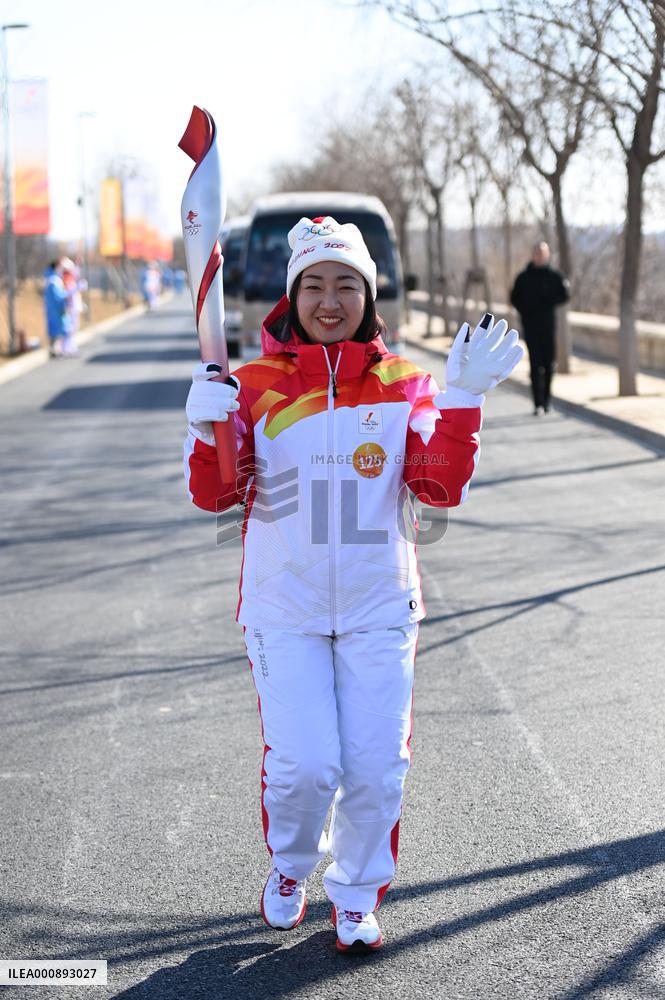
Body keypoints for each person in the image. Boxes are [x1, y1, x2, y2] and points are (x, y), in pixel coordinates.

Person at [183, 217, 523, 953]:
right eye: (314, 285)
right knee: (304, 766)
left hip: (378, 604)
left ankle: (358, 892)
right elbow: (217, 497)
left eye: (346, 285)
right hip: (284, 606)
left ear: (368, 296)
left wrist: (463, 399)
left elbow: (436, 488)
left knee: (375, 767)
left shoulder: (406, 385)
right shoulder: (252, 386)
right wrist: (205, 431)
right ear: (293, 296)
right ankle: (290, 866)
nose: (329, 300)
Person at [510, 241, 570, 415]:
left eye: (543, 253)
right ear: (533, 255)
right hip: (531, 327)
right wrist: (526, 310)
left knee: (549, 365)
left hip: (548, 326)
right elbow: (514, 298)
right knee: (535, 365)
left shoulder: (555, 276)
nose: (540, 256)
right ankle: (537, 403)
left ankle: (547, 401)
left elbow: (564, 295)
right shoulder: (523, 277)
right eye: (537, 253)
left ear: (548, 254)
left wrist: (548, 302)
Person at [43, 260, 69, 359]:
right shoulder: (54, 280)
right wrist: (64, 302)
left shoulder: (50, 278)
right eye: (60, 267)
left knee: (54, 329)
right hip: (55, 309)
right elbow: (58, 296)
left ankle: (54, 349)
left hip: (52, 309)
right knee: (56, 330)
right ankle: (54, 350)